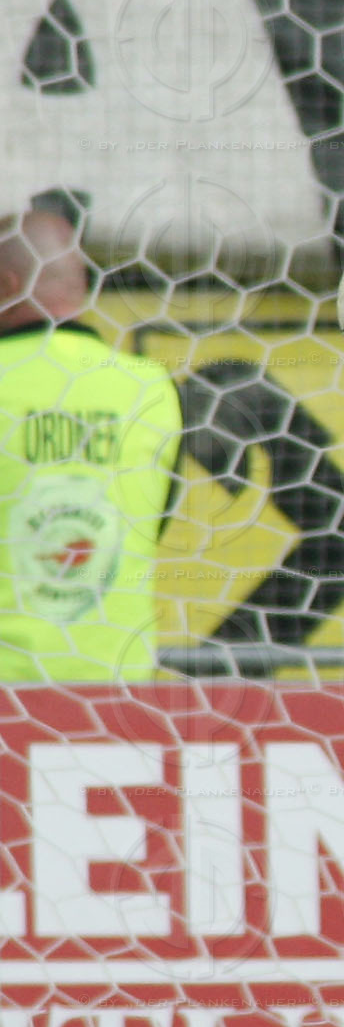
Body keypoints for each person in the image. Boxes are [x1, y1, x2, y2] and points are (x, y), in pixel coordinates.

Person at [0, 211, 180, 682]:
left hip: (9, 688)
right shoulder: (152, 388)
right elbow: (152, 521)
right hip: (119, 691)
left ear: (5, 284)